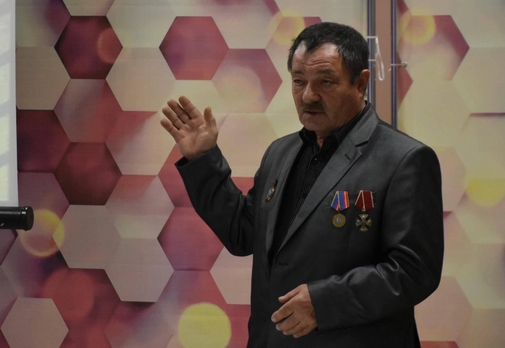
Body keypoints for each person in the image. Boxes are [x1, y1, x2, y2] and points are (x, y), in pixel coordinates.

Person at [160, 22, 444, 347]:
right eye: (299, 81)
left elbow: (414, 271)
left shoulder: (404, 159)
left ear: (361, 83)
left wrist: (325, 303)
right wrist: (202, 160)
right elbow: (243, 234)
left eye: (325, 82)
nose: (308, 96)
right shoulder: (280, 152)